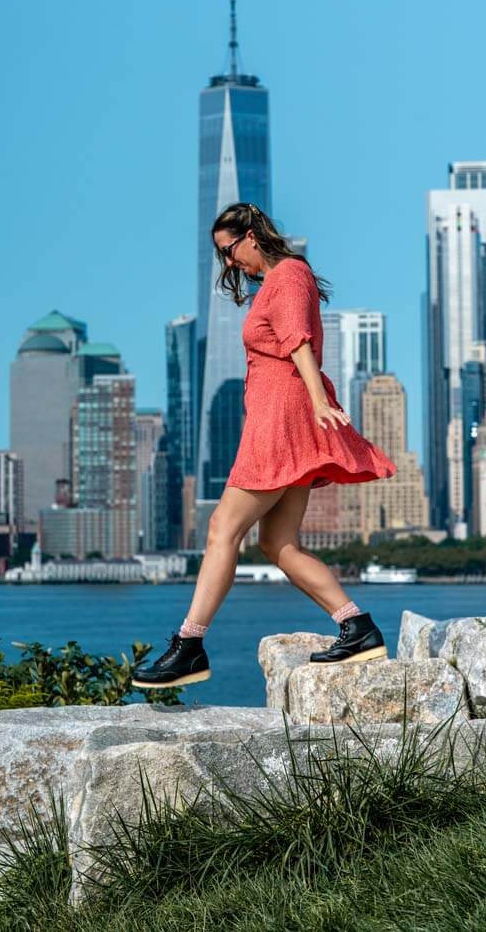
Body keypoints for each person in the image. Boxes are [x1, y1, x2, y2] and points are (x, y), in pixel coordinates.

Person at [131, 202, 397, 690]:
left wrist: (318, 402)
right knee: (278, 543)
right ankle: (357, 627)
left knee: (221, 529)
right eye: (222, 257)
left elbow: (298, 343)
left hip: (284, 421)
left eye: (229, 251)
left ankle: (188, 647)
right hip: (280, 418)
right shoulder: (275, 284)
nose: (230, 263)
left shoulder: (289, 275)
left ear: (251, 235)